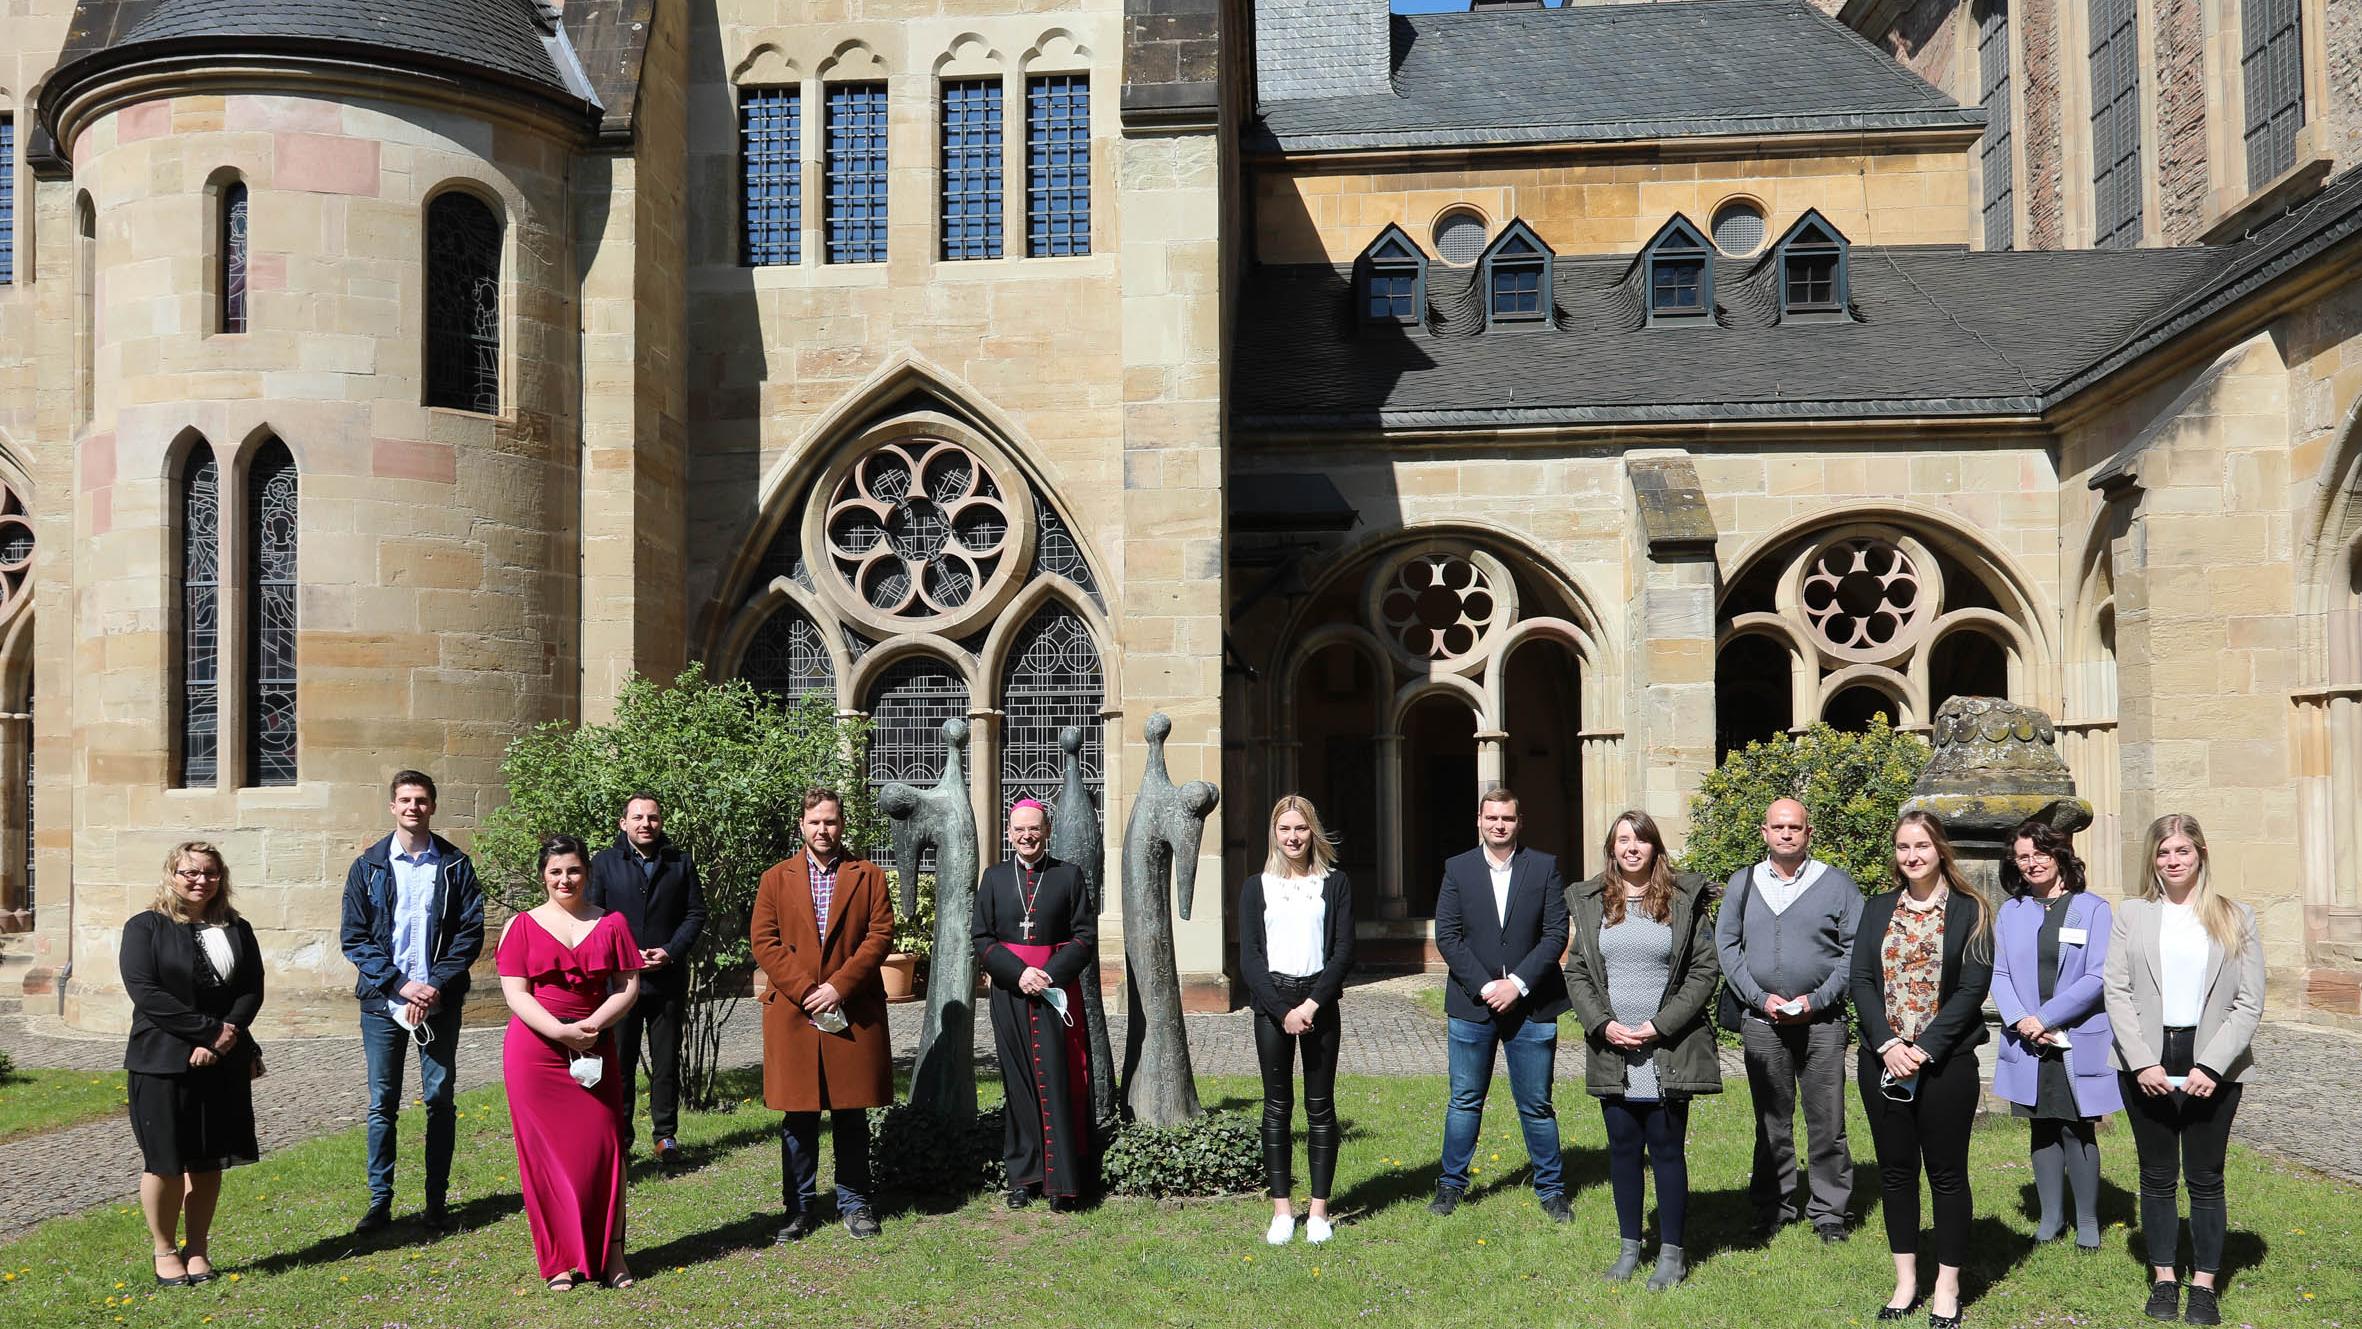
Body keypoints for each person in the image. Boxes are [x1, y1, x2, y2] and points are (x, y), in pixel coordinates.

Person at [2104, 814, 2264, 1328]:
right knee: (2155, 1175)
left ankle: (2204, 1286)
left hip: (2212, 1058)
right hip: (2147, 1058)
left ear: (2201, 854)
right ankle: (2165, 1278)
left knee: (2205, 1176)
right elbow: (2117, 991)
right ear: (2153, 859)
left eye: (2182, 851)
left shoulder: (2236, 916)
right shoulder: (2132, 914)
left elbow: (2249, 1002)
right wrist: (2142, 1060)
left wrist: (2212, 1066)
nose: (2172, 861)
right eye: (2163, 853)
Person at [1564, 811, 1721, 1290]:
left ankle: (1671, 1253)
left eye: (1641, 840)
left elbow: (1703, 971)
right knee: (1623, 1151)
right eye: (1623, 840)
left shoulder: (1682, 900)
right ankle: (1629, 1246)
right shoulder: (1591, 902)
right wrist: (1603, 1024)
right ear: (1612, 848)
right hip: (1613, 1050)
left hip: (1666, 1049)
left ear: (1655, 847)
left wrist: (1658, 1026)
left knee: (1667, 1150)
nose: (1631, 848)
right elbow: (1577, 971)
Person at [1851, 812, 1993, 1328]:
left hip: (1946, 1066)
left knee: (1947, 1174)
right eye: (1904, 847)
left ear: (1941, 851)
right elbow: (1862, 980)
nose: (1913, 856)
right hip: (1883, 1063)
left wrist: (1924, 1048)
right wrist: (1888, 1043)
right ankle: (1906, 1280)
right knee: (1895, 1172)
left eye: (1922, 846)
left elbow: (1972, 990)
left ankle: (1947, 1287)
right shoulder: (1877, 909)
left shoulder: (1971, 911)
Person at [495, 834, 644, 1290]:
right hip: (536, 1053)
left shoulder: (612, 923)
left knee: (605, 1149)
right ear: (543, 874)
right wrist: (559, 1031)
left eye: (574, 870)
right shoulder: (520, 925)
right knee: (544, 1159)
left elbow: (628, 985)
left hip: (596, 1043)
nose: (565, 879)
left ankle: (612, 1255)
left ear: (587, 873)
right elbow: (515, 992)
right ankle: (558, 1259)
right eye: (556, 871)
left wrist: (593, 1025)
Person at [339, 769, 485, 1234]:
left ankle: (436, 1201)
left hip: (439, 1003)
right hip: (384, 1003)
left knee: (439, 1100)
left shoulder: (456, 865)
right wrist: (401, 984)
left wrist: (435, 985)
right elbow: (355, 938)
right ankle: (380, 1201)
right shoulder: (369, 866)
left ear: (433, 806)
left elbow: (469, 934)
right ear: (392, 806)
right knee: (383, 1103)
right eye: (405, 800)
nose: (413, 807)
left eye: (421, 800)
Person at [1713, 796, 1863, 1243]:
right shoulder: (1744, 884)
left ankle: (1829, 1211)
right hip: (1762, 1023)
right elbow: (1727, 947)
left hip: (1823, 1022)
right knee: (1770, 1120)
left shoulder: (1835, 884)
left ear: (1808, 834)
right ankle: (1773, 1206)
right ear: (1764, 833)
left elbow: (1856, 948)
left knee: (1827, 1120)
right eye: (1777, 827)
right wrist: (1760, 999)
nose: (1785, 834)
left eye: (1794, 827)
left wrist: (1819, 999)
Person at [750, 787, 895, 1241]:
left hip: (851, 1009)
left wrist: (837, 987)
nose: (823, 830)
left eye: (830, 821)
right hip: (795, 1012)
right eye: (815, 822)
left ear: (842, 825)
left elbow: (880, 934)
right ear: (802, 825)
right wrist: (807, 990)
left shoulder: (867, 876)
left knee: (851, 1114)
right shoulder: (775, 878)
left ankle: (854, 1202)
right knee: (799, 1116)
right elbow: (765, 940)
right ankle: (799, 1208)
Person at [121, 842, 264, 1288]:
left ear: (222, 877)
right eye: (190, 872)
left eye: (210, 873)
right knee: (164, 1161)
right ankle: (165, 1251)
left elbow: (250, 989)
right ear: (172, 873)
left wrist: (224, 1039)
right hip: (161, 1059)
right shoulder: (146, 927)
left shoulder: (237, 928)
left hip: (222, 1060)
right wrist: (206, 1033)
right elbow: (147, 992)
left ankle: (197, 1248)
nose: (200, 880)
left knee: (207, 1161)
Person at [1429, 785, 1571, 1221]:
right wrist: (1488, 986)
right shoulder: (1458, 869)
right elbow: (1447, 936)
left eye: (1506, 818)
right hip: (1473, 1005)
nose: (1498, 825)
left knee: (1537, 1103)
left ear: (1518, 821)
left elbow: (1555, 934)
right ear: (1479, 820)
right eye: (1491, 817)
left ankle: (1551, 1189)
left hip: (1533, 1005)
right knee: (1465, 1100)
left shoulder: (1543, 867)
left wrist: (1519, 984)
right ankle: (1451, 1186)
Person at [1991, 819, 2120, 1253]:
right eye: (2022, 857)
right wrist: (2021, 1021)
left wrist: (2045, 1017)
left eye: (2039, 854)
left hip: (2074, 1035)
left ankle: (2086, 1221)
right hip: (2027, 1039)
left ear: (2059, 853)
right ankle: (2050, 1217)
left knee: (2076, 1128)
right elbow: (2001, 973)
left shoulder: (2093, 909)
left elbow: (2098, 976)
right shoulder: (2011, 911)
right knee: (2041, 1128)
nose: (2031, 864)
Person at [1237, 795, 1355, 1245]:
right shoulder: (1257, 886)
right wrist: (1282, 1010)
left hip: (1318, 1001)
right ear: (1275, 833)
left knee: (1320, 1107)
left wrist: (1310, 1006)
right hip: (1273, 1004)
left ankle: (1320, 1211)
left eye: (1300, 829)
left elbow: (1344, 950)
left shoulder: (1335, 883)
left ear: (1313, 832)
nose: (1293, 837)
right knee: (1276, 1106)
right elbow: (1250, 956)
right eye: (1285, 829)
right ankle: (1282, 1209)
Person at [974, 798, 1097, 1212]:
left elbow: (1084, 936)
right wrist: (1018, 973)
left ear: (1047, 832)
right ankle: (1024, 1177)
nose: (1027, 836)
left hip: (1054, 993)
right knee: (1019, 1082)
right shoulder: (993, 878)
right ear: (1009, 833)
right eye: (1019, 830)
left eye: (1034, 829)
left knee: (1059, 1080)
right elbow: (982, 938)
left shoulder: (1068, 875)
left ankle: (1063, 1182)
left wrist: (1048, 973)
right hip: (1010, 993)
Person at [587, 791, 707, 1167]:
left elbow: (695, 914)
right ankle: (620, 1139)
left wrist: (670, 950)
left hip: (666, 978)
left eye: (652, 818)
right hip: (620, 983)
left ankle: (665, 1136)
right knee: (619, 1063)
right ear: (623, 823)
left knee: (666, 1062)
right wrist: (621, 955)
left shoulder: (679, 863)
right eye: (637, 818)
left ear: (661, 822)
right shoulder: (604, 863)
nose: (645, 824)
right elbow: (593, 917)